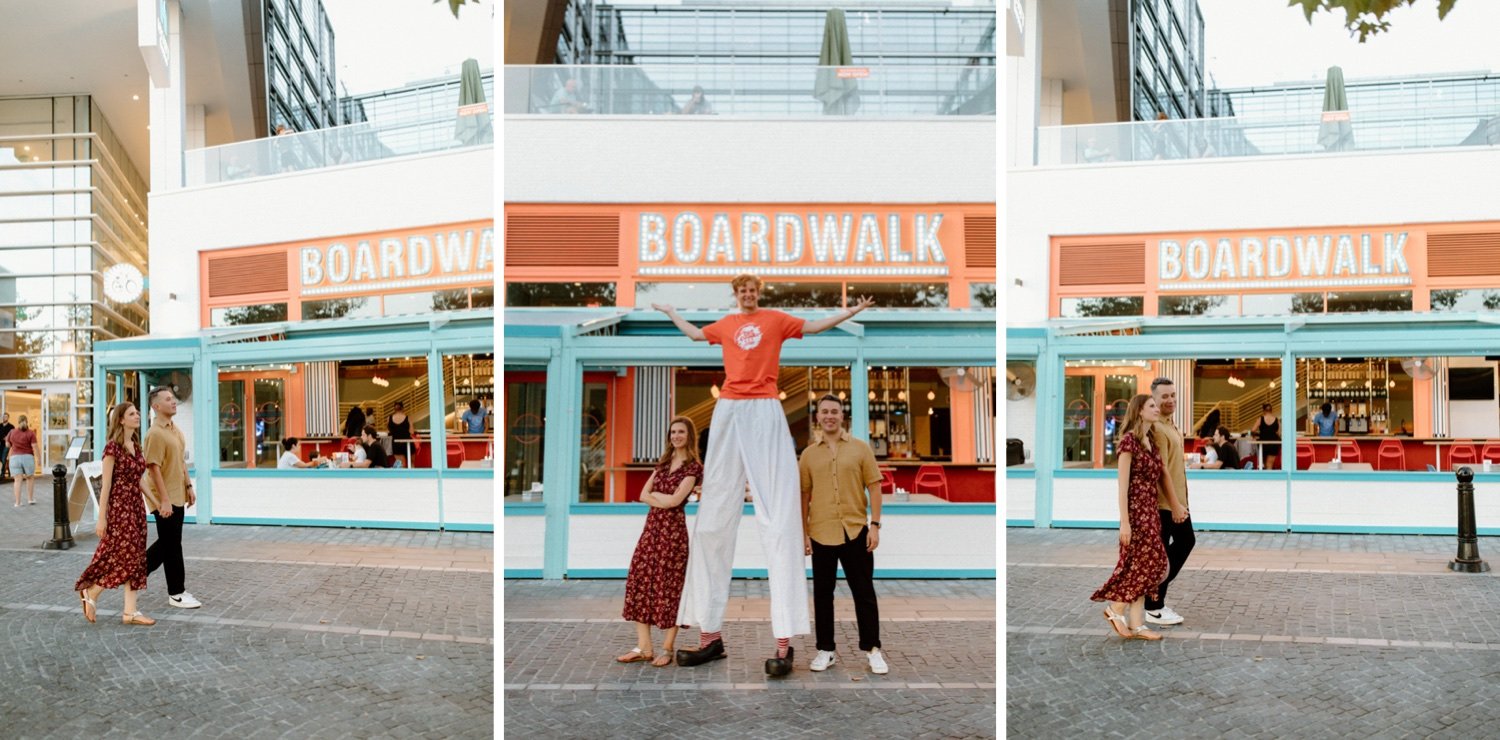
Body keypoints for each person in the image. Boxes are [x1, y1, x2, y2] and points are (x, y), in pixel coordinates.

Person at [654, 273, 873, 677]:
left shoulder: (775, 319)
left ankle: (785, 642)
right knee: (711, 521)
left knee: (779, 521)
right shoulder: (725, 324)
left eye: (753, 290)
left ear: (759, 294)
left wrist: (851, 312)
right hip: (730, 408)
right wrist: (670, 311)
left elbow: (814, 325)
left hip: (766, 407)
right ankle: (709, 637)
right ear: (737, 295)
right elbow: (692, 335)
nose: (749, 295)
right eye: (743, 291)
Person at [800, 395, 888, 675]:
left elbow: (875, 487)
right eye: (824, 412)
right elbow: (803, 495)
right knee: (822, 595)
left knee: (864, 593)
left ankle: (873, 649)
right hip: (821, 532)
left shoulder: (860, 449)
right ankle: (826, 650)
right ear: (817, 417)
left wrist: (874, 525)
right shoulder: (809, 454)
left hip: (855, 531)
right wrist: (803, 533)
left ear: (842, 416)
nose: (829, 416)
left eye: (834, 412)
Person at [1092, 394, 1184, 641]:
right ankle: (1116, 608)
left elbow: (1161, 475)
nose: (1157, 408)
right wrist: (1125, 522)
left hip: (1151, 511)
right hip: (1135, 513)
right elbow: (1122, 487)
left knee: (1150, 565)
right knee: (1143, 565)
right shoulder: (1129, 442)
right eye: (1152, 406)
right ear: (1139, 411)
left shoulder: (1151, 441)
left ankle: (1137, 624)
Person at [618, 416, 702, 668]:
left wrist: (657, 496)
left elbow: (675, 501)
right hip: (652, 529)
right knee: (640, 579)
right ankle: (644, 646)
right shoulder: (663, 463)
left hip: (673, 533)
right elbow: (642, 494)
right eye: (673, 431)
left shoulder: (694, 467)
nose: (676, 435)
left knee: (670, 586)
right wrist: (659, 498)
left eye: (681, 432)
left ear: (689, 436)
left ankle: (666, 647)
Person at [74, 403, 158, 626]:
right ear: (121, 420)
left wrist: (154, 501)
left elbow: (140, 479)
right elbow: (106, 484)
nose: (137, 416)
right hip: (120, 509)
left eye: (137, 413)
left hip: (136, 508)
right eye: (132, 414)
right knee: (124, 556)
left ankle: (130, 612)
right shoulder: (112, 448)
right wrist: (101, 517)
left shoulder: (136, 446)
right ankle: (92, 591)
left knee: (137, 556)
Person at [142, 386, 202, 609]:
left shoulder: (175, 429)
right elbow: (153, 468)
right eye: (168, 399)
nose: (174, 401)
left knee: (170, 544)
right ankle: (175, 592)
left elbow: (180, 461)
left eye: (173, 398)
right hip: (164, 498)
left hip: (178, 493)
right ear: (156, 406)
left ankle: (141, 576)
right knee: (170, 544)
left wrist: (188, 486)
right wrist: (164, 500)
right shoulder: (155, 433)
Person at [1144, 377, 1193, 626]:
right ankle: (1153, 606)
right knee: (1162, 555)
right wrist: (1174, 505)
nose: (1171, 399)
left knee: (1185, 542)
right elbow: (1161, 471)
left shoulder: (1170, 425)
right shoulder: (1157, 429)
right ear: (1154, 398)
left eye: (1173, 395)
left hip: (1178, 501)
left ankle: (1152, 596)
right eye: (1165, 396)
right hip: (1164, 504)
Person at [7, 414, 38, 506]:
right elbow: (35, 447)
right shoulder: (31, 433)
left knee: (17, 480)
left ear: (18, 422)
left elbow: (8, 445)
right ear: (27, 421)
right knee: (30, 478)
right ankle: (30, 499)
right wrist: (39, 458)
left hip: (15, 458)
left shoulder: (12, 432)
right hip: (28, 457)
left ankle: (17, 502)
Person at [1253, 403, 1281, 469]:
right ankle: (1270, 478)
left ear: (1264, 411)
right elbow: (1279, 433)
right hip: (1274, 443)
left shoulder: (1260, 419)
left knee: (1265, 464)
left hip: (1263, 443)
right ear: (1271, 410)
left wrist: (1258, 434)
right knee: (1269, 465)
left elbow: (1253, 430)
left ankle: (1266, 478)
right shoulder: (1277, 420)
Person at [0, 411, 12, 481]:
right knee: (2, 458)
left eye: (6, 417)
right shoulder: (0, 426)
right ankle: (8, 465)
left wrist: (7, 438)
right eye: (3, 417)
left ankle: (2, 473)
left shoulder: (11, 426)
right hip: (1, 444)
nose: (4, 418)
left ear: (8, 418)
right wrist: (2, 438)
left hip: (7, 445)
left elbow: (13, 435)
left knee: (3, 457)